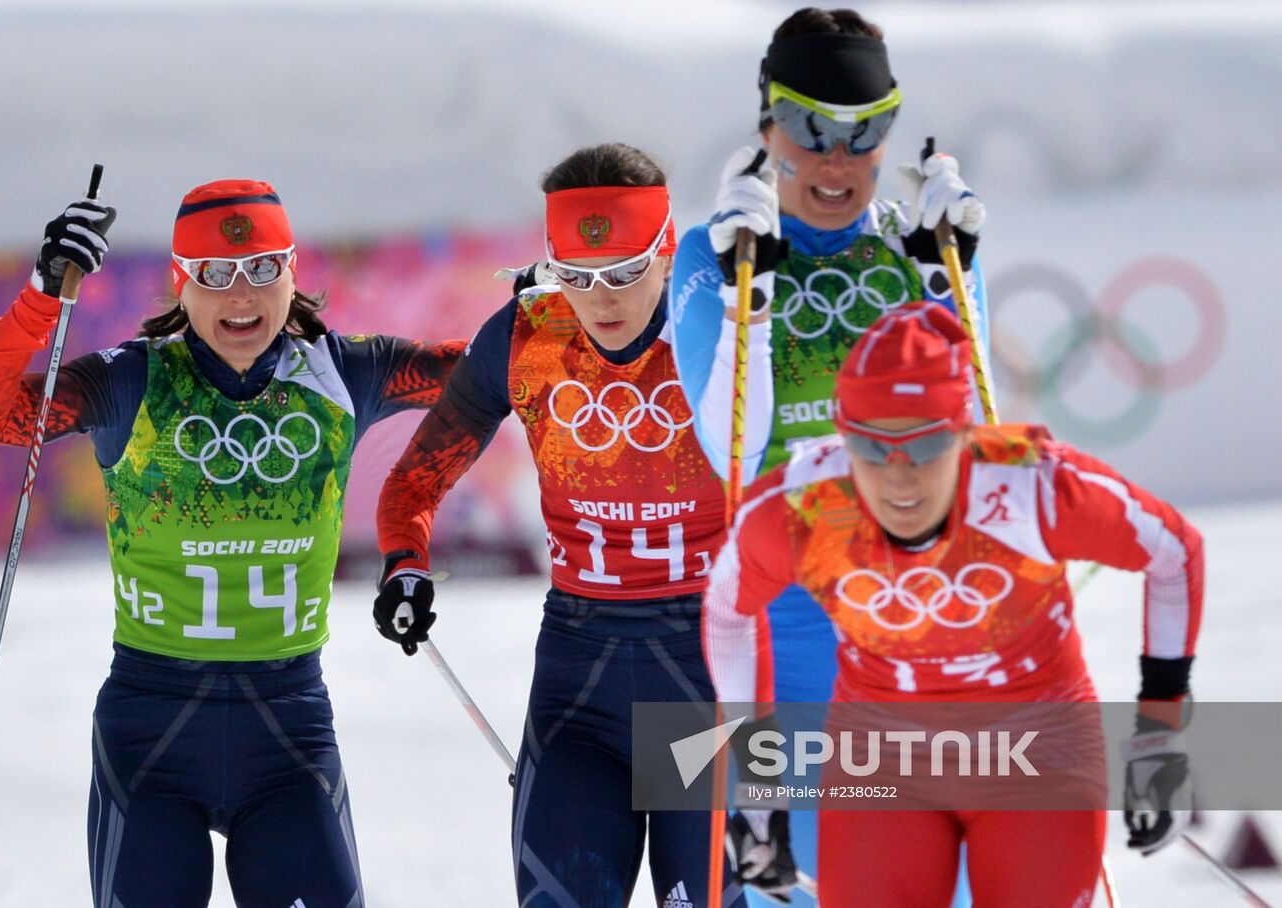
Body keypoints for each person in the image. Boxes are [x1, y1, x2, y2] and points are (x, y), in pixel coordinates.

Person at [0, 180, 465, 907]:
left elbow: (497, 373)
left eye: (261, 269)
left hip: (288, 734)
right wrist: (40, 292)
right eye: (215, 276)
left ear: (291, 273)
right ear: (181, 285)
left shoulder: (345, 371)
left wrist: (550, 298)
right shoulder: (130, 379)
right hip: (151, 734)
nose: (240, 296)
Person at [704, 302, 1203, 906]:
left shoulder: (1033, 485)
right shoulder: (803, 504)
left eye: (927, 446)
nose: (900, 480)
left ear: (966, 434)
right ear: (843, 436)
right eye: (872, 448)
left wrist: (1160, 730)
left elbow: (1175, 552)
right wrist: (757, 783)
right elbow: (729, 611)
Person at [374, 143, 754, 907]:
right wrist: (404, 561)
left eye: (624, 273)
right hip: (581, 681)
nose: (601, 300)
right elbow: (415, 479)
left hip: (715, 676)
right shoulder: (529, 336)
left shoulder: (725, 326)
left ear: (668, 252)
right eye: (576, 277)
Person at [667, 8, 990, 898]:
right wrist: (750, 306)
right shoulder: (710, 257)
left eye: (865, 134)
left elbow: (982, 449)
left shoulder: (920, 248)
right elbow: (733, 454)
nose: (836, 163)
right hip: (790, 646)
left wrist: (945, 282)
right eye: (811, 130)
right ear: (766, 124)